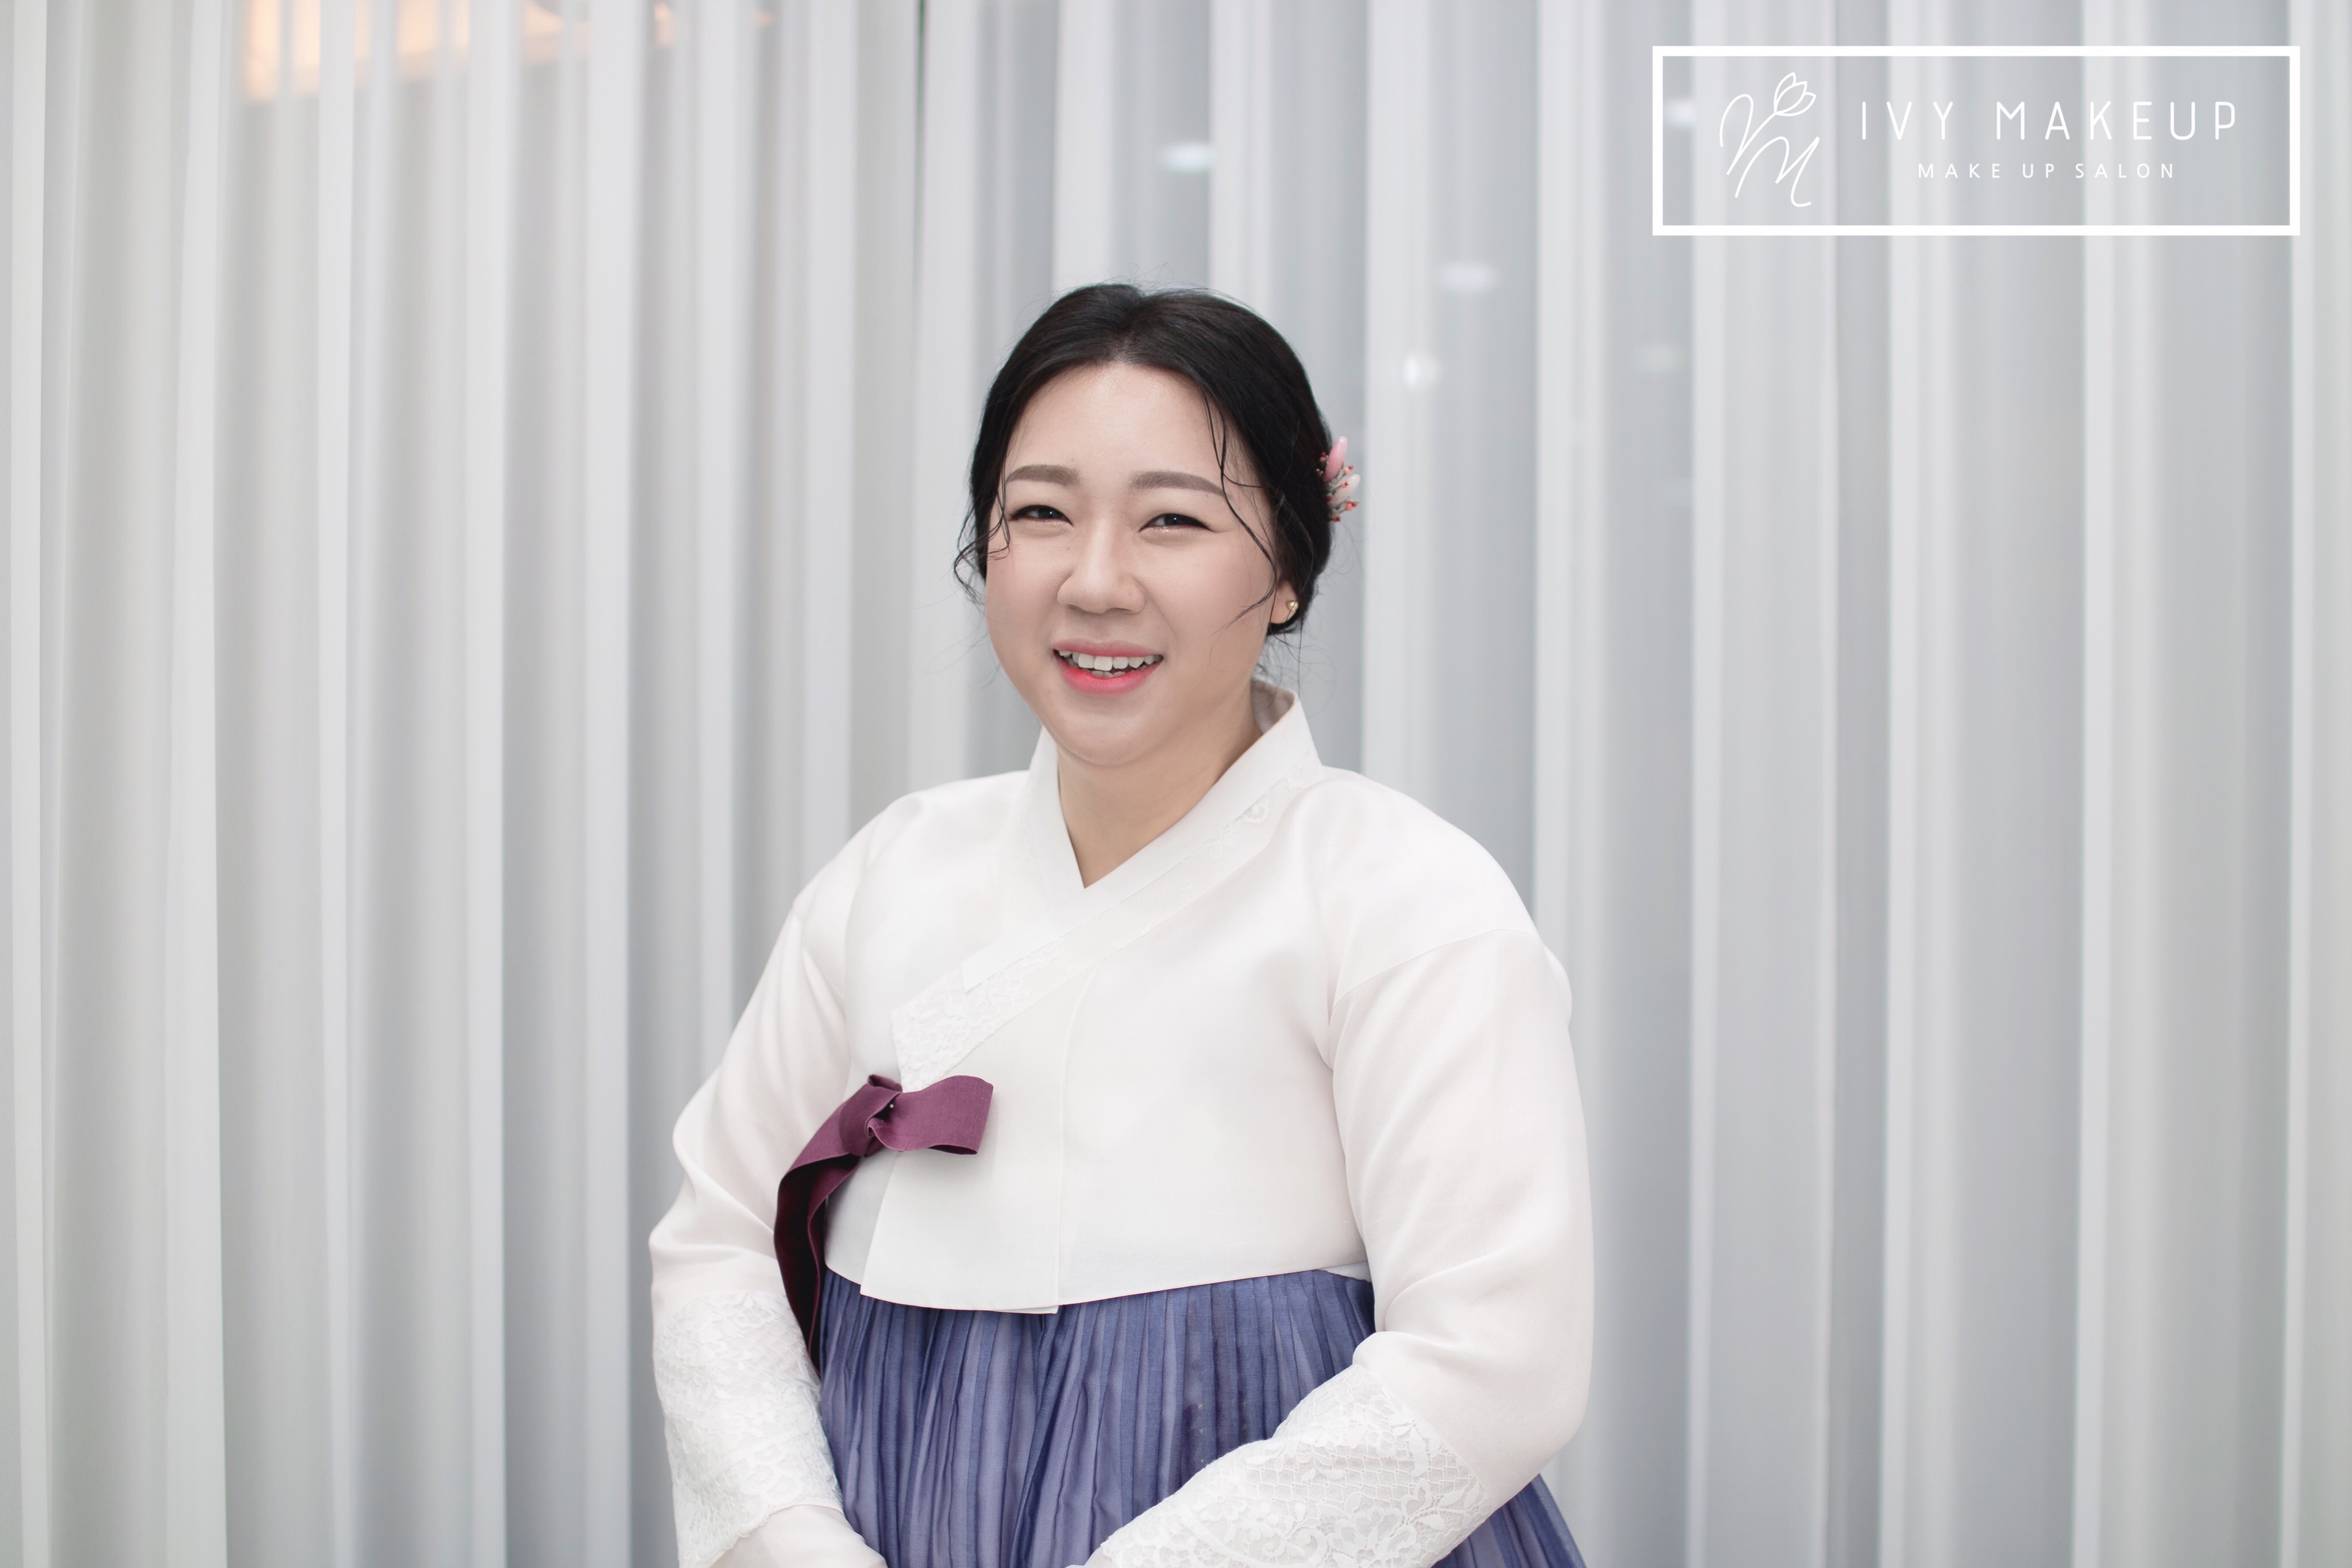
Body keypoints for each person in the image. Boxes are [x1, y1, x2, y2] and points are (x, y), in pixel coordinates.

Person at [647, 284, 1593, 1568]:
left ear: (1288, 571)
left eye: (1172, 521)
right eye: (1041, 513)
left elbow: (1494, 1360)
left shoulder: (1406, 899)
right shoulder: (892, 871)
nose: (1095, 582)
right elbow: (719, 1239)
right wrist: (789, 1541)